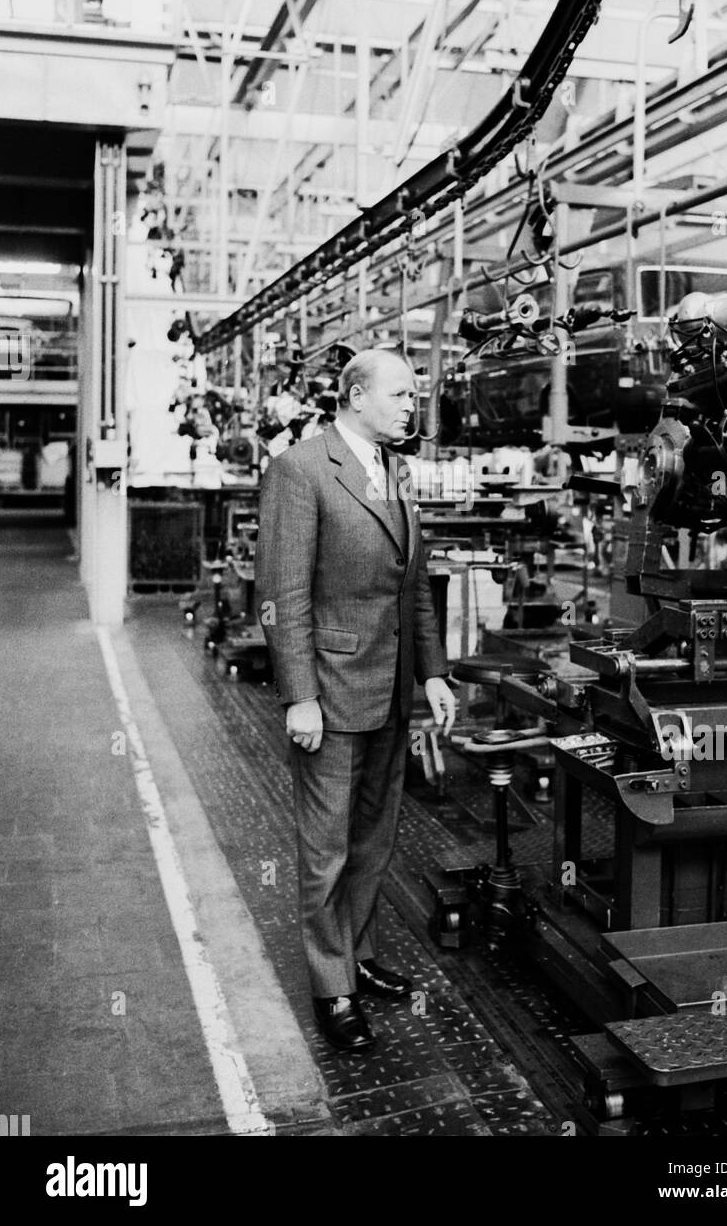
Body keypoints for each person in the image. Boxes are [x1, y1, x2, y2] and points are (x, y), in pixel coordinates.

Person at [255, 348, 456, 1052]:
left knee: (373, 840)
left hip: (392, 691)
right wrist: (299, 696)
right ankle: (330, 988)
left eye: (413, 394)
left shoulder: (396, 472)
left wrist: (431, 671)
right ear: (355, 395)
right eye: (400, 393)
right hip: (333, 695)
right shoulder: (301, 469)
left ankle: (357, 954)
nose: (411, 404)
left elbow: (414, 586)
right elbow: (281, 595)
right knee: (325, 850)